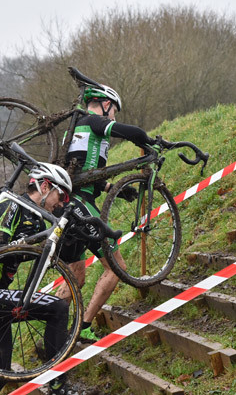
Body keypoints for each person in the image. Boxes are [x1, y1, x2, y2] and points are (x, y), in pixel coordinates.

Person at [0, 163, 78, 395]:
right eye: (61, 194)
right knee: (57, 308)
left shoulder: (36, 218)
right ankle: (58, 385)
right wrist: (38, 251)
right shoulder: (13, 205)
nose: (62, 202)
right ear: (45, 185)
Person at [63, 83, 155, 342]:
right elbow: (127, 131)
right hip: (81, 206)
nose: (114, 116)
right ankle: (82, 326)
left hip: (68, 204)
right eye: (114, 110)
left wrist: (112, 188)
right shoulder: (93, 121)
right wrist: (145, 138)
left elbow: (82, 174)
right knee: (116, 267)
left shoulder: (77, 129)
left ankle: (52, 327)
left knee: (76, 276)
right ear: (105, 104)